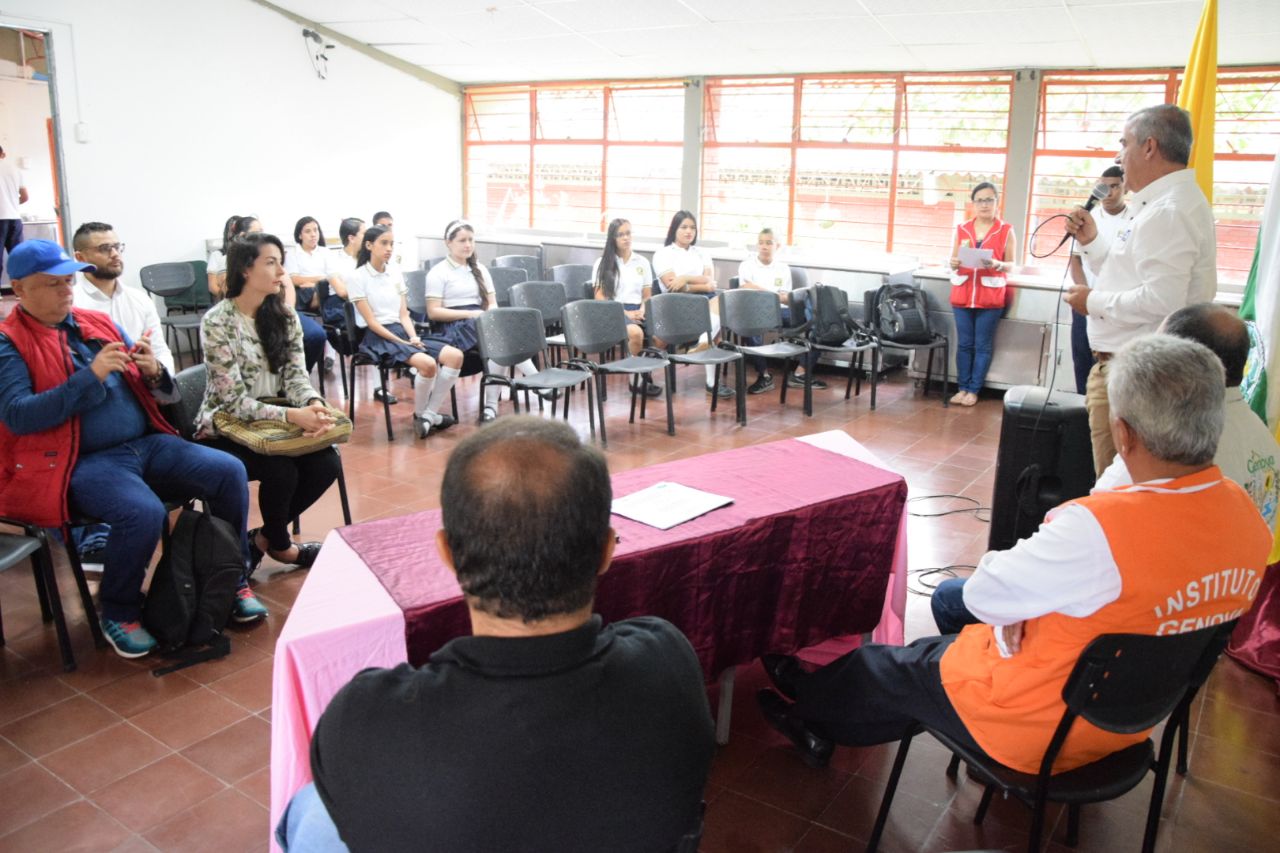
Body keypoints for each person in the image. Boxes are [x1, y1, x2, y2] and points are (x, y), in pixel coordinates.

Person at [758, 334, 1270, 776]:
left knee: (878, 666)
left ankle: (807, 709)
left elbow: (985, 593)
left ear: (1124, 433)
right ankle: (849, 707)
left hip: (1036, 726)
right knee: (927, 660)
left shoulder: (1100, 530)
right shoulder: (1248, 520)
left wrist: (1018, 607)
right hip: (1127, 721)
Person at [277, 416, 715, 852]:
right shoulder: (669, 659)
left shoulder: (365, 719)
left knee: (307, 811)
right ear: (606, 551)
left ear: (447, 553)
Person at [932, 303, 1280, 635]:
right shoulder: (1263, 443)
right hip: (1191, 623)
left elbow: (998, 588)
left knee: (952, 598)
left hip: (1113, 626)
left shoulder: (1155, 462)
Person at [0, 240, 253, 658]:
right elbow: (18, 415)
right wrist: (91, 377)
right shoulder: (9, 344)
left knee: (228, 471)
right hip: (80, 460)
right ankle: (117, 609)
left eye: (68, 281)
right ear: (20, 290)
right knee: (143, 512)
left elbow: (158, 391)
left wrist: (154, 373)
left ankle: (232, 576)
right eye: (53, 284)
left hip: (145, 443)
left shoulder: (96, 322)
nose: (67, 290)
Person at [1065, 104, 1217, 476]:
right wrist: (1091, 242)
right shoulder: (1153, 204)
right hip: (1124, 364)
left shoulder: (1168, 210)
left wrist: (1092, 301)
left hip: (1133, 370)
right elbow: (1124, 274)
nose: (1120, 156)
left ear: (1149, 146)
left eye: (1125, 143)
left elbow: (1163, 300)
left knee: (1122, 484)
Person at [195, 232, 340, 579]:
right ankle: (282, 547)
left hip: (274, 421)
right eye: (271, 263)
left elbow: (295, 377)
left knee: (326, 462)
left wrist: (314, 404)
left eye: (281, 263)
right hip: (225, 424)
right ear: (245, 269)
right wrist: (294, 415)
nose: (280, 273)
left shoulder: (285, 317)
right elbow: (232, 401)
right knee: (282, 470)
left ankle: (262, 541)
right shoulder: (218, 321)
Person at [70, 221, 177, 569]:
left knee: (218, 467)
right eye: (104, 249)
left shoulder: (137, 298)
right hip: (97, 405)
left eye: (118, 246)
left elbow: (163, 353)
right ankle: (95, 538)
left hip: (140, 396)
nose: (115, 254)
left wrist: (152, 366)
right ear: (80, 257)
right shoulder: (72, 302)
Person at [346, 224, 464, 439]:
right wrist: (403, 342)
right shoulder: (356, 277)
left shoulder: (395, 273)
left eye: (391, 243)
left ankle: (427, 415)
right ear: (369, 245)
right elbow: (372, 323)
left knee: (455, 356)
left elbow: (403, 314)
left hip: (402, 331)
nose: (389, 248)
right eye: (384, 243)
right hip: (377, 337)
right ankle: (423, 416)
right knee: (428, 365)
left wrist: (413, 337)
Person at [426, 220, 538, 423]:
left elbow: (492, 303)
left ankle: (491, 406)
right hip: (453, 325)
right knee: (499, 338)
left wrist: (490, 317)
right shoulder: (438, 272)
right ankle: (537, 381)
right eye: (462, 240)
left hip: (480, 321)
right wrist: (472, 315)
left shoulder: (479, 269)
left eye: (471, 240)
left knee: (501, 337)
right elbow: (433, 312)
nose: (467, 245)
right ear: (448, 243)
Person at [947, 182, 1016, 407]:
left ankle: (974, 390)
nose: (984, 205)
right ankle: (962, 387)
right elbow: (953, 261)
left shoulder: (1006, 230)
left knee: (982, 345)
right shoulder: (962, 229)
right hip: (963, 293)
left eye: (989, 200)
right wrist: (954, 263)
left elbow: (1012, 265)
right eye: (980, 200)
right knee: (964, 344)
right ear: (973, 203)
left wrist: (997, 263)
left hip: (990, 296)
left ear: (997, 202)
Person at [652, 210, 731, 398]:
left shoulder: (702, 253)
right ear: (674, 229)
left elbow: (710, 282)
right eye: (684, 227)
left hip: (704, 303)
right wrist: (700, 284)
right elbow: (672, 286)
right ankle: (706, 352)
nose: (689, 232)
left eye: (693, 228)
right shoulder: (663, 254)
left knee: (720, 302)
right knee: (714, 321)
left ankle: (703, 345)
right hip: (674, 307)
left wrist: (685, 278)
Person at [737, 227, 824, 395]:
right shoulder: (747, 265)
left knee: (818, 323)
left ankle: (800, 372)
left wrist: (765, 293)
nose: (764, 247)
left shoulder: (783, 268)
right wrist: (772, 294)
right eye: (761, 243)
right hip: (756, 311)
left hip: (781, 311)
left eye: (769, 243)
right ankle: (764, 376)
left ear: (777, 246)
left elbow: (786, 298)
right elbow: (746, 288)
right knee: (749, 324)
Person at [1066, 166, 1126, 394]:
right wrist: (1085, 294)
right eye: (1104, 186)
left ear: (1124, 187)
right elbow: (1075, 261)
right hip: (1085, 300)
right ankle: (1082, 408)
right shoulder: (1085, 217)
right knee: (1082, 356)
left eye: (1114, 186)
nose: (1109, 192)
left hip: (1113, 304)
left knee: (1108, 365)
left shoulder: (1134, 219)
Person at [592, 217, 661, 397]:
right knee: (636, 334)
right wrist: (626, 313)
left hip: (638, 309)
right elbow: (599, 296)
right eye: (620, 234)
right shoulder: (603, 263)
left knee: (662, 336)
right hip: (614, 310)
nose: (626, 238)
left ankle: (642, 368)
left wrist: (642, 310)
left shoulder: (642, 262)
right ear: (612, 238)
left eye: (628, 233)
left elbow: (647, 295)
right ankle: (635, 379)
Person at [285, 216, 331, 312]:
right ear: (300, 235)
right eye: (308, 231)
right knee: (319, 292)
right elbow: (294, 280)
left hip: (324, 287)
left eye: (315, 230)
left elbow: (334, 276)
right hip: (304, 292)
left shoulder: (326, 252)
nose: (313, 234)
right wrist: (320, 280)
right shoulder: (292, 253)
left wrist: (316, 284)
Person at [324, 217, 364, 326]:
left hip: (364, 302)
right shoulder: (333, 259)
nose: (368, 238)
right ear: (351, 238)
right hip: (341, 305)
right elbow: (342, 292)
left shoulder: (367, 259)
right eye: (364, 234)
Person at [0, 145, 28, 282]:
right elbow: (24, 197)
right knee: (18, 258)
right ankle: (22, 291)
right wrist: (11, 204)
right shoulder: (15, 170)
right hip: (15, 220)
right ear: (3, 154)